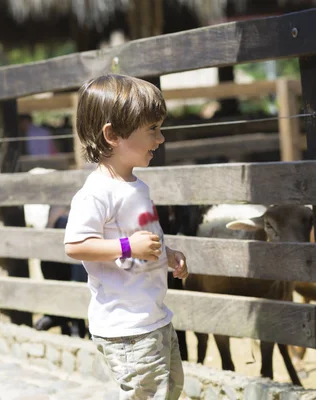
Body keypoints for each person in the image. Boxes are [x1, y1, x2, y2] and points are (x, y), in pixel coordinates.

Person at [64, 74, 188, 399]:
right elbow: (75, 245)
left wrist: (167, 254)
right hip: (126, 327)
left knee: (171, 389)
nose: (160, 139)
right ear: (113, 134)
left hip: (153, 314)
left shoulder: (137, 187)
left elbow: (143, 238)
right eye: (152, 130)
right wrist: (126, 247)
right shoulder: (97, 192)